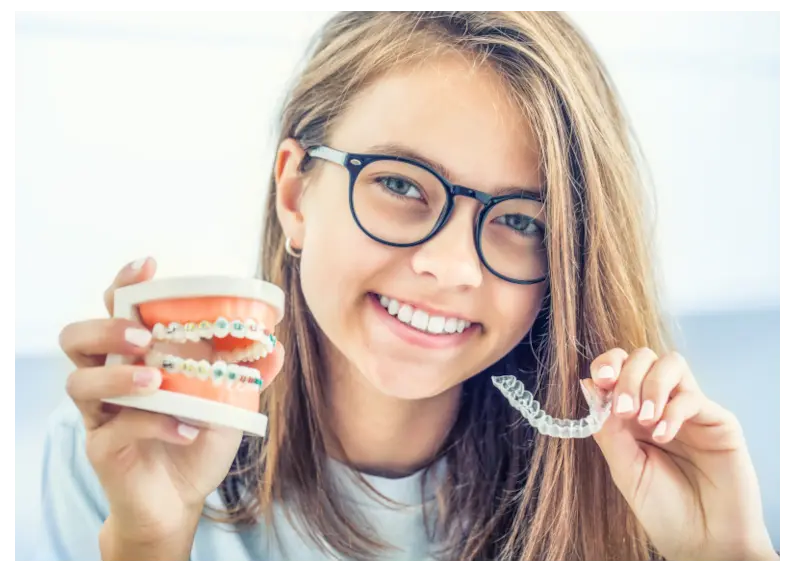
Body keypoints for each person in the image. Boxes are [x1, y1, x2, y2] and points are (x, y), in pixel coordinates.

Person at [39, 8, 779, 565]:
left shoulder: (622, 495)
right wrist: (150, 540)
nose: (453, 266)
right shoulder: (112, 459)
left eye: (521, 221)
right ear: (296, 194)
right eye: (398, 183)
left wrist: (731, 560)